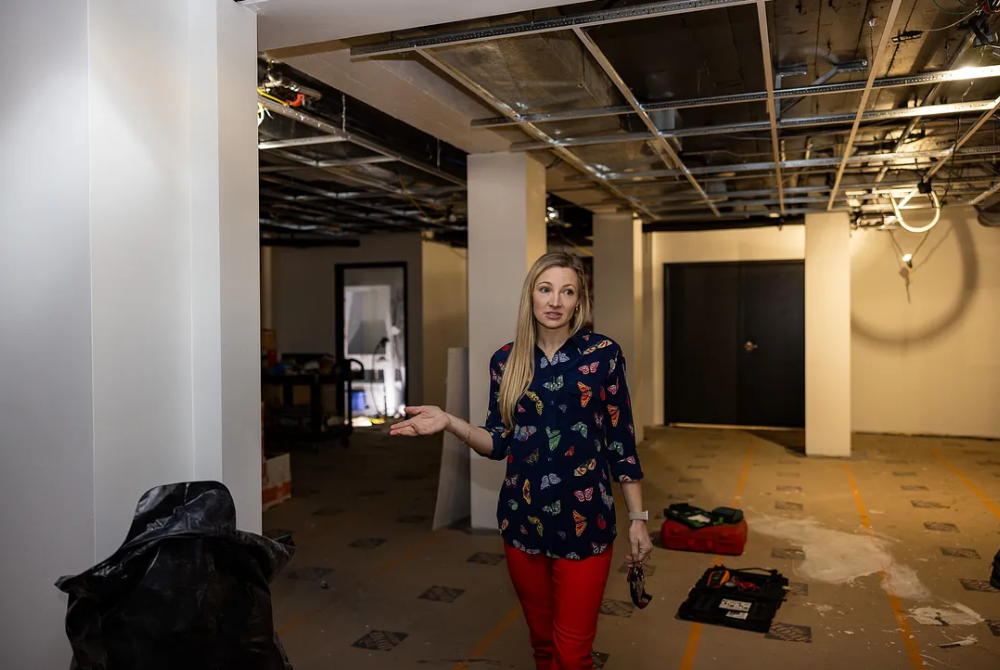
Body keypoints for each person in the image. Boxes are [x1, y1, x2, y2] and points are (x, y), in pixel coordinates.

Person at [390, 252, 652, 670]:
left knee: (572, 655)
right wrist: (450, 422)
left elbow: (621, 441)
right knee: (543, 645)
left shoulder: (603, 355)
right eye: (545, 289)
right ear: (530, 296)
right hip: (522, 521)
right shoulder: (506, 361)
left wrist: (638, 516)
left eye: (567, 292)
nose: (555, 301)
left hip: (586, 522)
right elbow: (498, 442)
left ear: (579, 302)